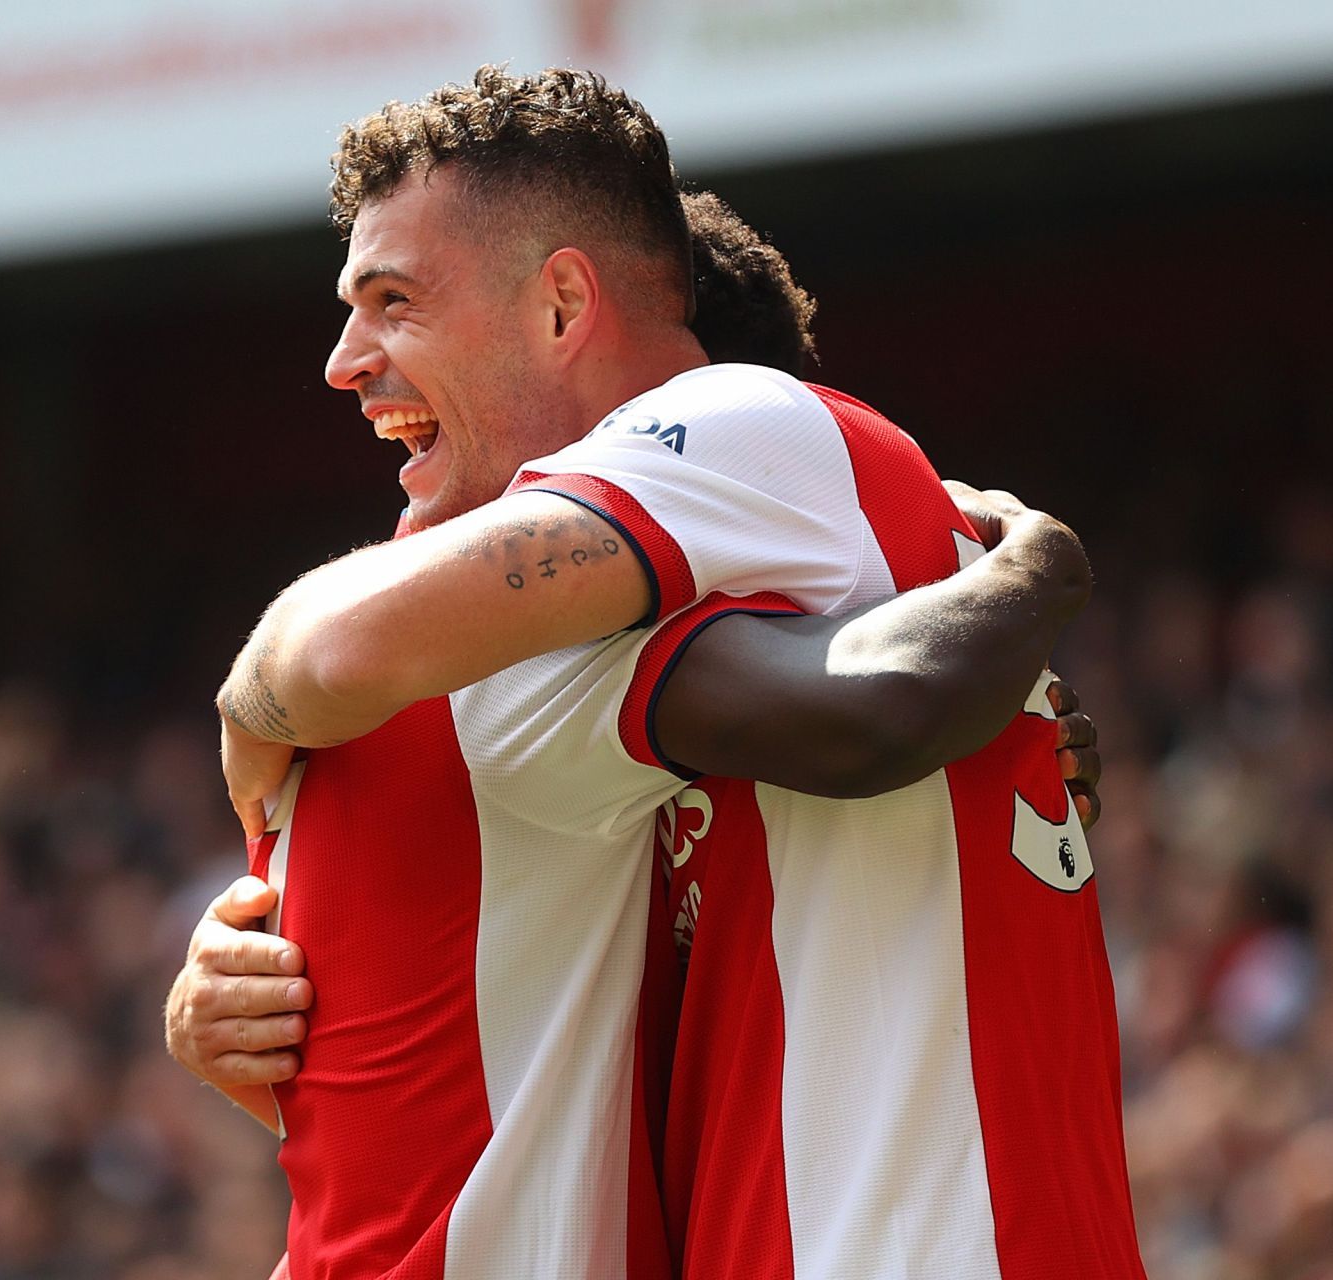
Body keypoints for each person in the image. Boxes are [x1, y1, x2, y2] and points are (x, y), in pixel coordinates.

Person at [185, 66, 1124, 1278]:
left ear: (566, 306)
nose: (343, 362)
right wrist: (221, 1014)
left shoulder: (737, 419)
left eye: (397, 300)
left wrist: (1039, 577)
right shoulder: (558, 658)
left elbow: (892, 706)